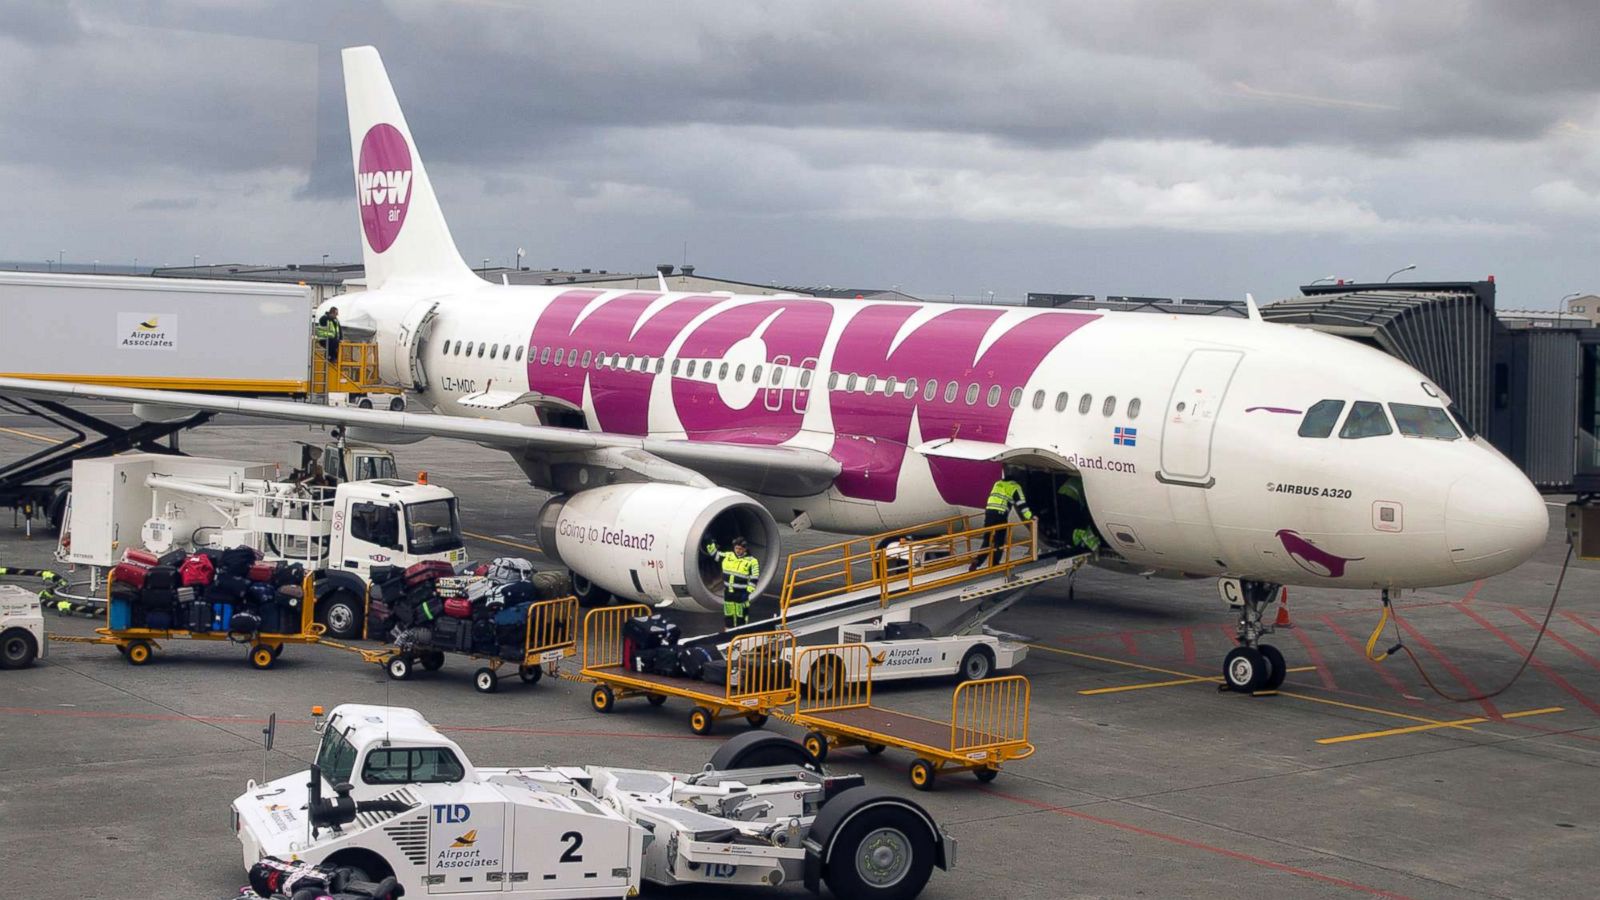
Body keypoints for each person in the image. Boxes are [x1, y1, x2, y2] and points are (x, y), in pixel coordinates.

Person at [970, 472, 1032, 570]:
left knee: (987, 539)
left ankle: (977, 561)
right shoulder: (1015, 487)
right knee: (999, 541)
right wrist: (1031, 517)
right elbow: (1021, 505)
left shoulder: (998, 483)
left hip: (989, 513)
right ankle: (995, 564)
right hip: (1000, 515)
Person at [704, 537, 760, 629]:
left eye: (740, 549)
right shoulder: (728, 556)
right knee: (728, 614)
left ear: (745, 549)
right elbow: (715, 554)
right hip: (729, 592)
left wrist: (748, 591)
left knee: (741, 615)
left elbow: (755, 577)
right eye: (736, 548)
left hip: (741, 593)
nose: (738, 551)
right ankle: (729, 632)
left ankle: (741, 633)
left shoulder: (752, 561)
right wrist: (710, 543)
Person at [1056, 476, 1102, 554]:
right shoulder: (1074, 534)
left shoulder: (1075, 535)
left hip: (1064, 492)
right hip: (1069, 495)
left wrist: (1095, 548)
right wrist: (1095, 548)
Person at [315, 306, 342, 370]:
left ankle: (333, 358)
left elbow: (339, 330)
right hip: (324, 338)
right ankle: (329, 357)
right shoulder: (324, 318)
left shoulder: (336, 320)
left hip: (332, 339)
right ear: (331, 313)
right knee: (333, 344)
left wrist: (341, 339)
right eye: (336, 314)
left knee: (336, 345)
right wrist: (330, 318)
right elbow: (324, 321)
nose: (336, 315)